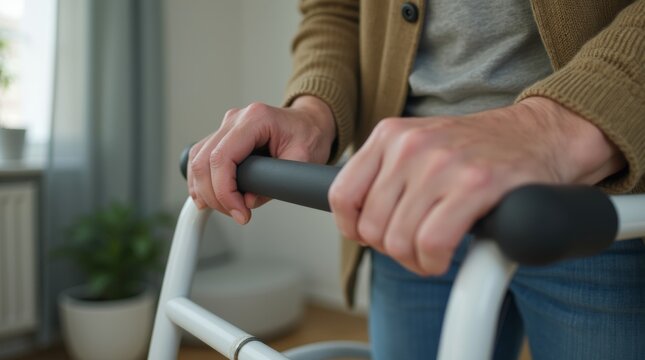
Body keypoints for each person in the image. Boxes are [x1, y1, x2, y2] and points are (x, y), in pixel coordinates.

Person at [188, 1, 645, 359]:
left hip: (591, 203)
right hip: (405, 197)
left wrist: (551, 128)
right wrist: (313, 111)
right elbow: (337, 9)